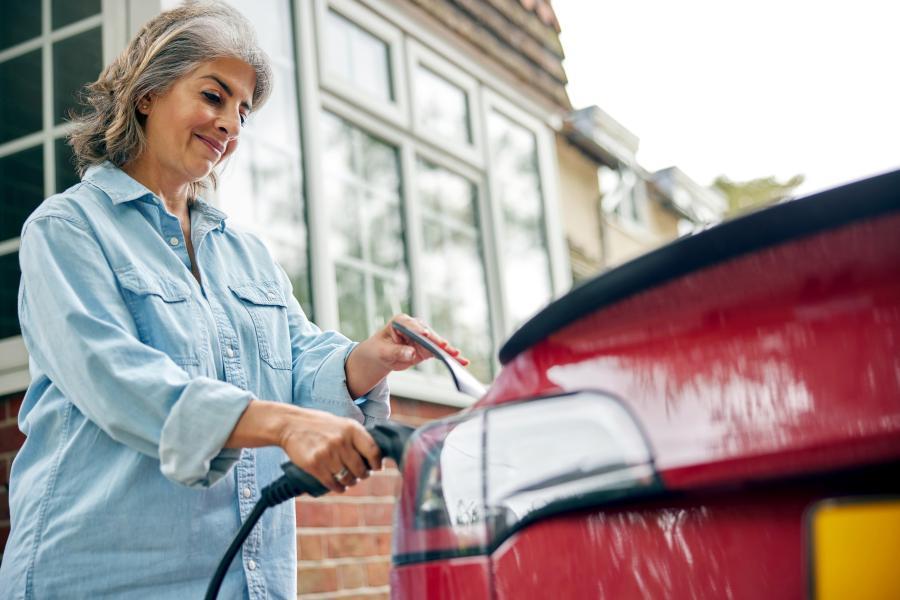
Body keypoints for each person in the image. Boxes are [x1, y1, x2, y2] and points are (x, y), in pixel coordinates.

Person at [0, 3, 467, 598]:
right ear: (147, 92)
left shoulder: (245, 253)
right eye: (214, 96)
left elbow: (299, 362)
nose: (231, 124)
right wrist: (283, 425)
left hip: (248, 579)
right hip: (105, 576)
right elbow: (115, 379)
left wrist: (367, 359)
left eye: (243, 111)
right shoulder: (67, 229)